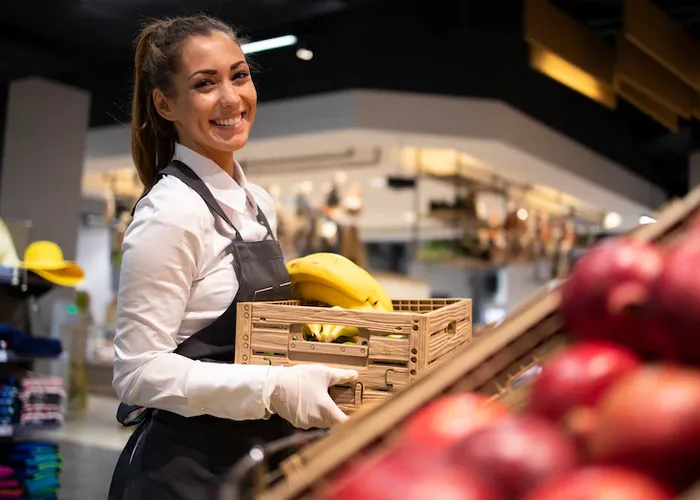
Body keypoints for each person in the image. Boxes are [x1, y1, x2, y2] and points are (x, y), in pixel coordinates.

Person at [107, 15, 359, 500]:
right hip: (184, 473)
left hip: (257, 460)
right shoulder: (172, 211)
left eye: (238, 75)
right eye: (204, 84)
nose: (230, 98)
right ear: (165, 103)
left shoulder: (258, 203)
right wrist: (273, 389)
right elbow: (136, 373)